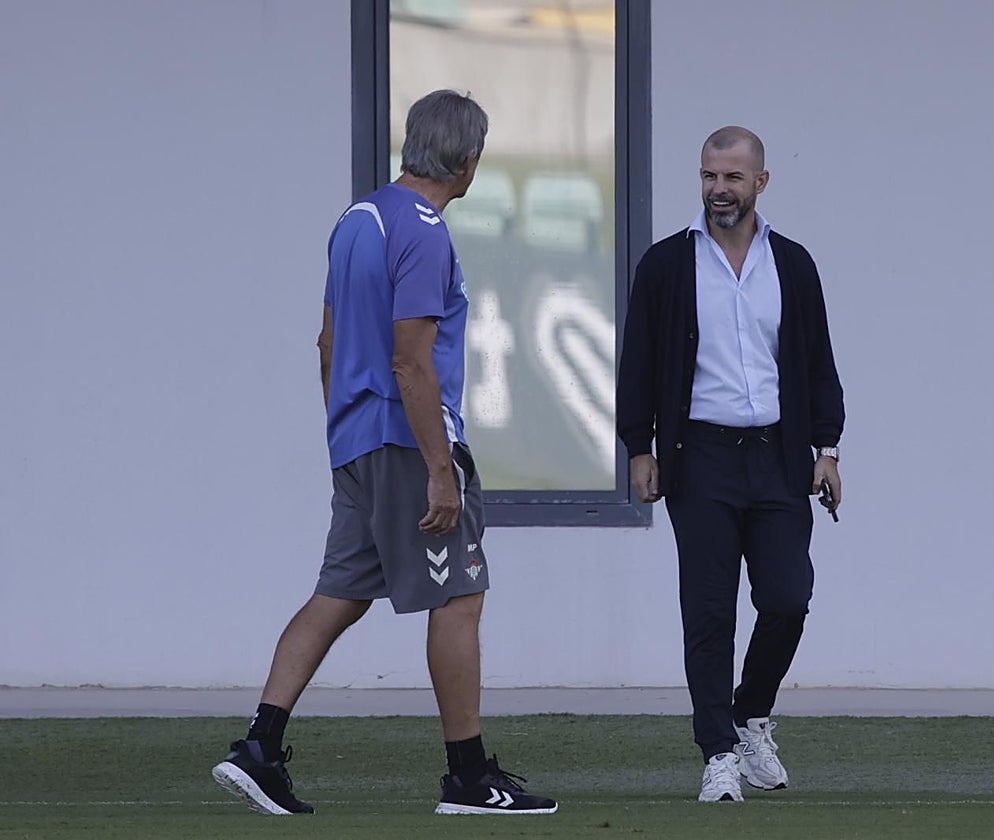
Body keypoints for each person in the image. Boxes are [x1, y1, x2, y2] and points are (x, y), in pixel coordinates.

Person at [211, 89, 557, 817]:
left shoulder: (356, 218)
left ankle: (258, 747)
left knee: (339, 593)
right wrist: (439, 471)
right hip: (407, 442)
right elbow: (411, 362)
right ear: (469, 160)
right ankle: (467, 778)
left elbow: (327, 343)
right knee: (459, 597)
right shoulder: (425, 231)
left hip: (357, 441)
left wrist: (344, 434)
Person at [616, 126, 845, 803]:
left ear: (760, 183)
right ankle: (717, 751)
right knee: (709, 611)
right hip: (701, 459)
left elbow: (818, 362)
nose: (719, 190)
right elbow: (637, 363)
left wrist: (827, 450)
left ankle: (750, 717)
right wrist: (638, 447)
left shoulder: (792, 264)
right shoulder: (666, 265)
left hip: (778, 456)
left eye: (733, 178)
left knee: (788, 598)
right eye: (709, 176)